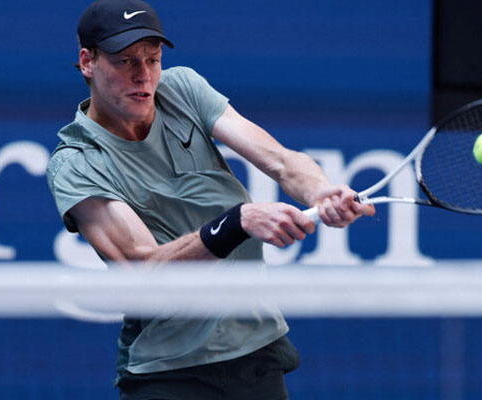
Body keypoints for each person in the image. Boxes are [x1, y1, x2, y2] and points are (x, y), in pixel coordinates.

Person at [46, 0, 375, 398]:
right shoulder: (76, 163)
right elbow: (143, 269)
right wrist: (236, 223)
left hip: (255, 353)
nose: (143, 76)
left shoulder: (181, 88)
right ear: (87, 61)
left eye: (153, 60)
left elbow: (282, 162)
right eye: (126, 62)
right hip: (169, 374)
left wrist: (320, 190)